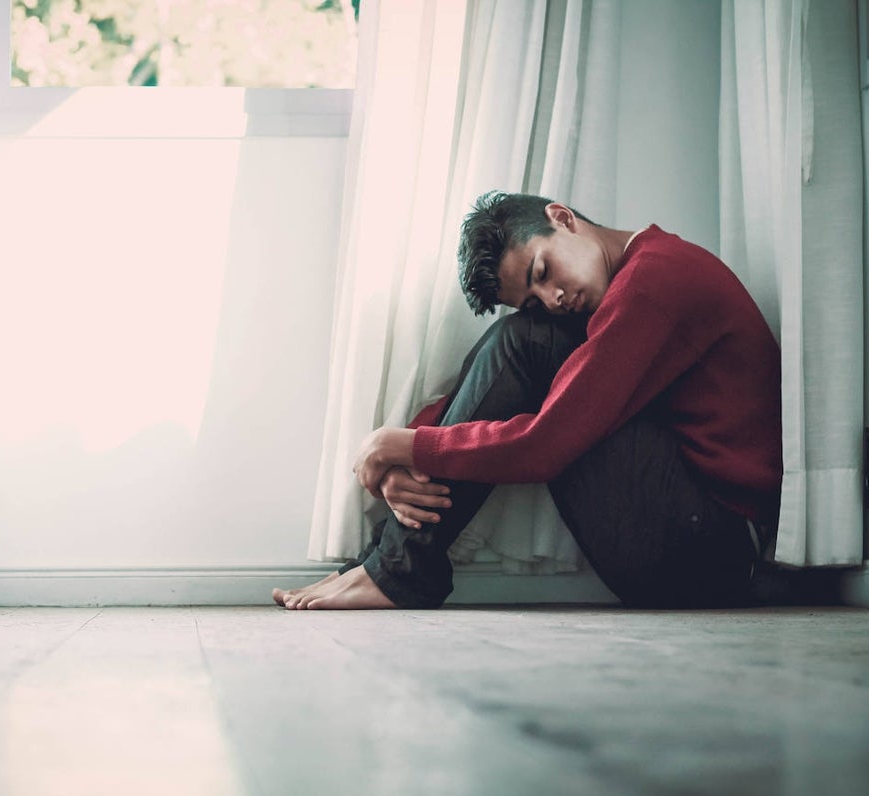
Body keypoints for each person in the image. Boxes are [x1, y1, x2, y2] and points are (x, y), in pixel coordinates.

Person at [273, 191, 782, 610]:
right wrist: (401, 451)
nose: (555, 298)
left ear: (562, 218)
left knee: (526, 341)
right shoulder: (630, 283)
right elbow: (492, 387)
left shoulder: (655, 283)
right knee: (523, 335)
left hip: (715, 553)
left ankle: (397, 571)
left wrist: (401, 447)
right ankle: (390, 564)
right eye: (536, 296)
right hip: (691, 535)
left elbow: (546, 445)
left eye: (543, 271)